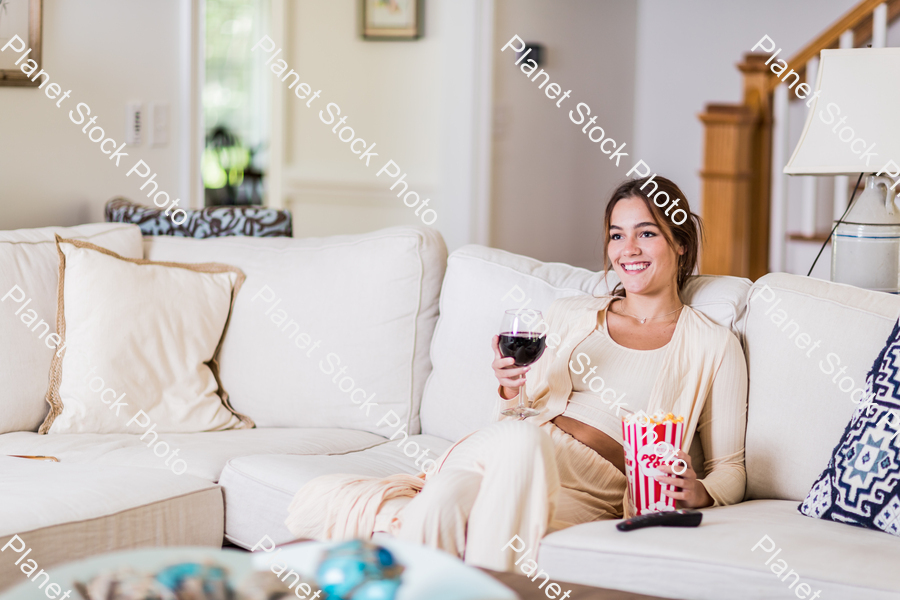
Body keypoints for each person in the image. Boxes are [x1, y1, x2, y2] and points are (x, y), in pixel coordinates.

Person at [285, 175, 748, 572]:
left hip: (599, 491)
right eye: (616, 235)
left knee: (451, 505)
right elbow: (517, 414)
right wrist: (509, 388)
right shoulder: (571, 314)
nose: (627, 249)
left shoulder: (713, 344)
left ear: (680, 243)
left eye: (646, 234)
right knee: (524, 439)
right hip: (517, 442)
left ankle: (400, 534)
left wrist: (700, 493)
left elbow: (731, 467)